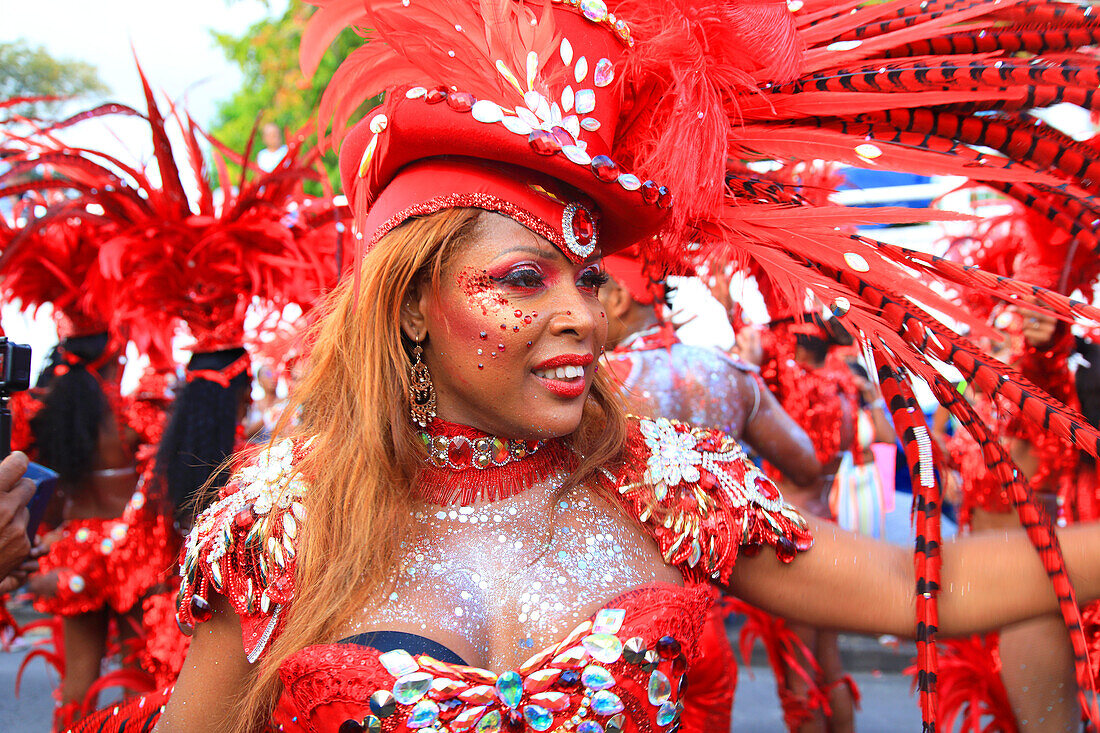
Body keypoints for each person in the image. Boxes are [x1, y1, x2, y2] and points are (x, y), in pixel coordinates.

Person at [65, 1, 1100, 731]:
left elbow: (936, 585)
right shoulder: (280, 526)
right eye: (523, 279)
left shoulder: (666, 484)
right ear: (411, 309)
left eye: (585, 280)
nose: (579, 318)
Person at [599, 251, 821, 732]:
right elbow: (806, 463)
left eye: (591, 287)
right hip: (710, 628)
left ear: (617, 297)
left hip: (625, 633)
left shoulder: (596, 385)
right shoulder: (729, 373)